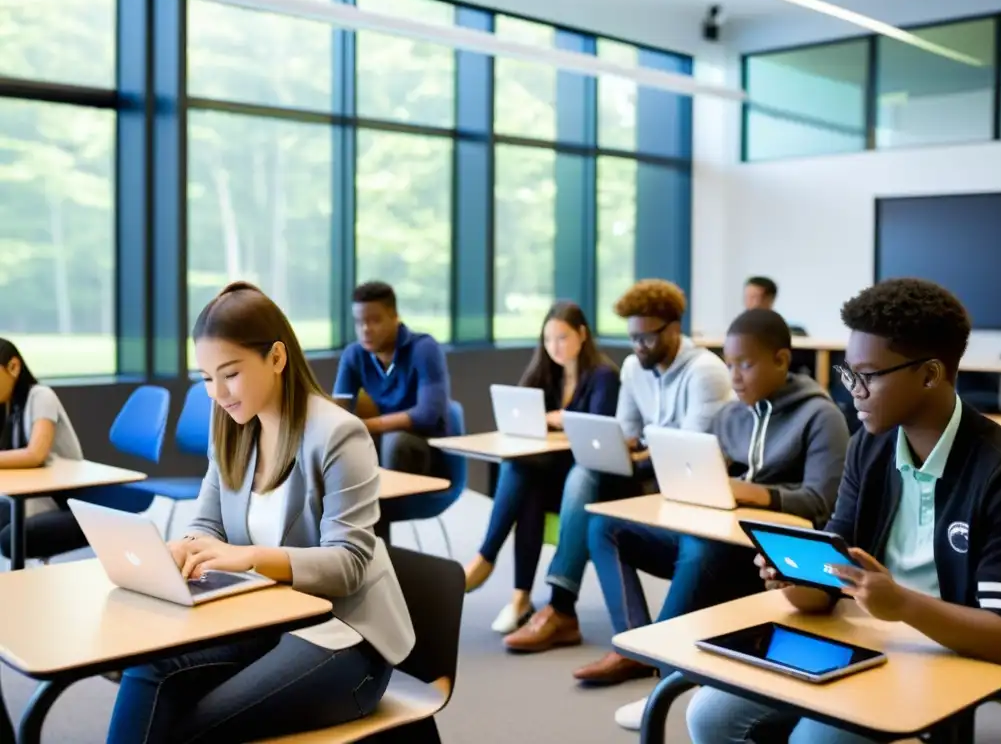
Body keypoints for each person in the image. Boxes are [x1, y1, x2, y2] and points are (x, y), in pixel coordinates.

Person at [687, 278, 1001, 744]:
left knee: (814, 740)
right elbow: (826, 588)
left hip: (948, 655)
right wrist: (795, 578)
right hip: (869, 641)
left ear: (929, 375)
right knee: (708, 715)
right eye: (849, 374)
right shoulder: (869, 446)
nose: (853, 393)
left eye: (868, 376)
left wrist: (901, 603)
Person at [105, 282, 414, 744]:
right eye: (206, 378)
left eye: (229, 374)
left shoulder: (338, 435)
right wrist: (181, 549)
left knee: (194, 728)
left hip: (344, 637)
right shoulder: (231, 425)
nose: (216, 393)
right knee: (150, 670)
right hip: (267, 618)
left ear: (275, 357)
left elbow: (349, 565)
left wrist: (249, 557)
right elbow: (205, 524)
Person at [576, 309, 850, 730]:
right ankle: (641, 650)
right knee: (605, 527)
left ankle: (662, 682)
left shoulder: (821, 417)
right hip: (719, 536)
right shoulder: (730, 416)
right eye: (729, 364)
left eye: (746, 364)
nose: (735, 377)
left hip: (767, 558)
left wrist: (747, 491)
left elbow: (820, 502)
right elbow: (709, 476)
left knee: (700, 548)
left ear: (780, 360)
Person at [503, 279, 733, 654]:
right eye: (632, 338)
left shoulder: (704, 371)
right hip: (646, 474)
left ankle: (561, 610)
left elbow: (689, 454)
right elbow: (626, 432)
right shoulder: (633, 367)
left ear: (674, 329)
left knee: (587, 492)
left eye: (646, 338)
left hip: (688, 487)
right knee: (583, 472)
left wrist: (640, 447)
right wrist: (627, 446)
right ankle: (560, 607)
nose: (638, 347)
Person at [464, 301, 620, 634]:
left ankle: (485, 559)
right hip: (549, 478)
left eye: (562, 338)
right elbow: (517, 413)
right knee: (526, 485)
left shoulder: (603, 376)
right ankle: (520, 599)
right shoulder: (547, 371)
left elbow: (596, 431)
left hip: (583, 482)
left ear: (582, 334)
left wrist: (558, 419)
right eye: (548, 340)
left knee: (519, 471)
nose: (554, 347)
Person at [334, 280, 451, 541]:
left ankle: (380, 555)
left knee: (393, 441)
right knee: (341, 448)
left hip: (425, 453)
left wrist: (366, 426)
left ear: (395, 317)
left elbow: (427, 415)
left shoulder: (424, 348)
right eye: (359, 322)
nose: (365, 329)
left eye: (374, 320)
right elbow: (338, 414)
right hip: (379, 452)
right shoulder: (354, 355)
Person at [0, 338, 84, 557]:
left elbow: (35, 454)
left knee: (10, 539)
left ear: (14, 367)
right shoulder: (6, 405)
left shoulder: (40, 396)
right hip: (30, 497)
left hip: (64, 501)